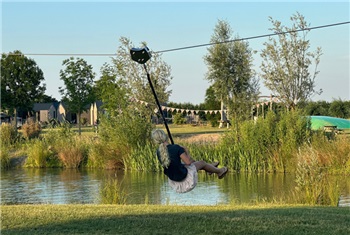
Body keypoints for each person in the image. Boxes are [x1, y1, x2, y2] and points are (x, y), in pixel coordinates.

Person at [151, 129, 228, 193]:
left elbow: (173, 163)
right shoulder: (176, 148)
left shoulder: (158, 152)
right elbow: (188, 162)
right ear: (166, 136)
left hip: (174, 180)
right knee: (201, 163)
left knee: (196, 164)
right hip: (184, 178)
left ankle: (210, 168)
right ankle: (219, 171)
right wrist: (185, 150)